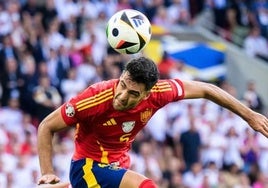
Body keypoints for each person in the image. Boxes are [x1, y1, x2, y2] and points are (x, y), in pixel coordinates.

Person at [37, 56, 268, 188]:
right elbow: (46, 126)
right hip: (87, 166)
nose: (122, 95)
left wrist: (250, 116)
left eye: (133, 93)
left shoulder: (160, 92)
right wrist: (47, 174)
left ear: (148, 93)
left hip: (118, 164)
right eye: (123, 84)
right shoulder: (94, 97)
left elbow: (207, 89)